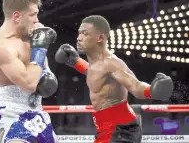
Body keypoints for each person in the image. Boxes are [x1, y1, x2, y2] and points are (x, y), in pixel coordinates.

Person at [55, 15, 174, 143]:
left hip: (120, 130)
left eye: (85, 34)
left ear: (100, 38)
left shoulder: (112, 63)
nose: (79, 38)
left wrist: (152, 90)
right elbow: (96, 74)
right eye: (79, 33)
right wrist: (76, 62)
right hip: (108, 128)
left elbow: (135, 86)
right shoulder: (98, 64)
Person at [0, 0, 58, 143]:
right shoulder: (0, 46)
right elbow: (29, 83)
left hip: (39, 116)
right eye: (33, 15)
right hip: (12, 116)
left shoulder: (30, 37)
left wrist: (46, 73)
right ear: (17, 16)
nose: (37, 20)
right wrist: (40, 46)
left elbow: (46, 80)